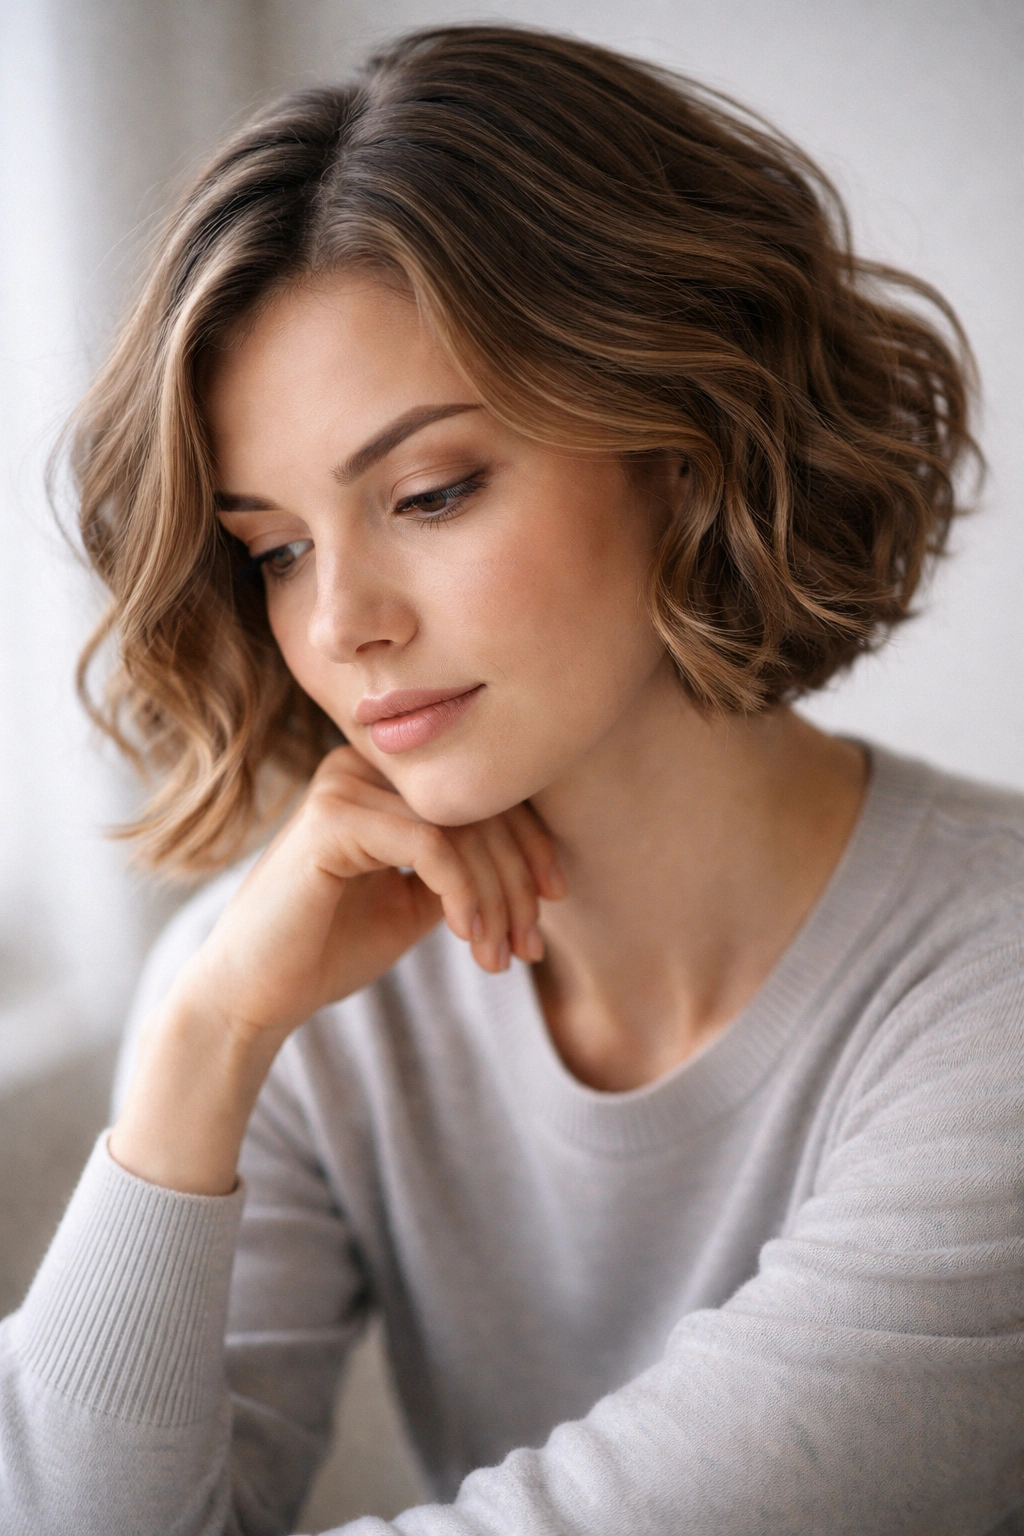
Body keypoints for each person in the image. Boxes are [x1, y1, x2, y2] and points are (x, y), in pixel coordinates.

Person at [1, 22, 1021, 1536]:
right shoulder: (290, 985)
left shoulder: (992, 1001)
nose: (341, 623)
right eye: (275, 549)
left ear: (689, 437)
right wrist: (207, 1031)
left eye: (431, 492)